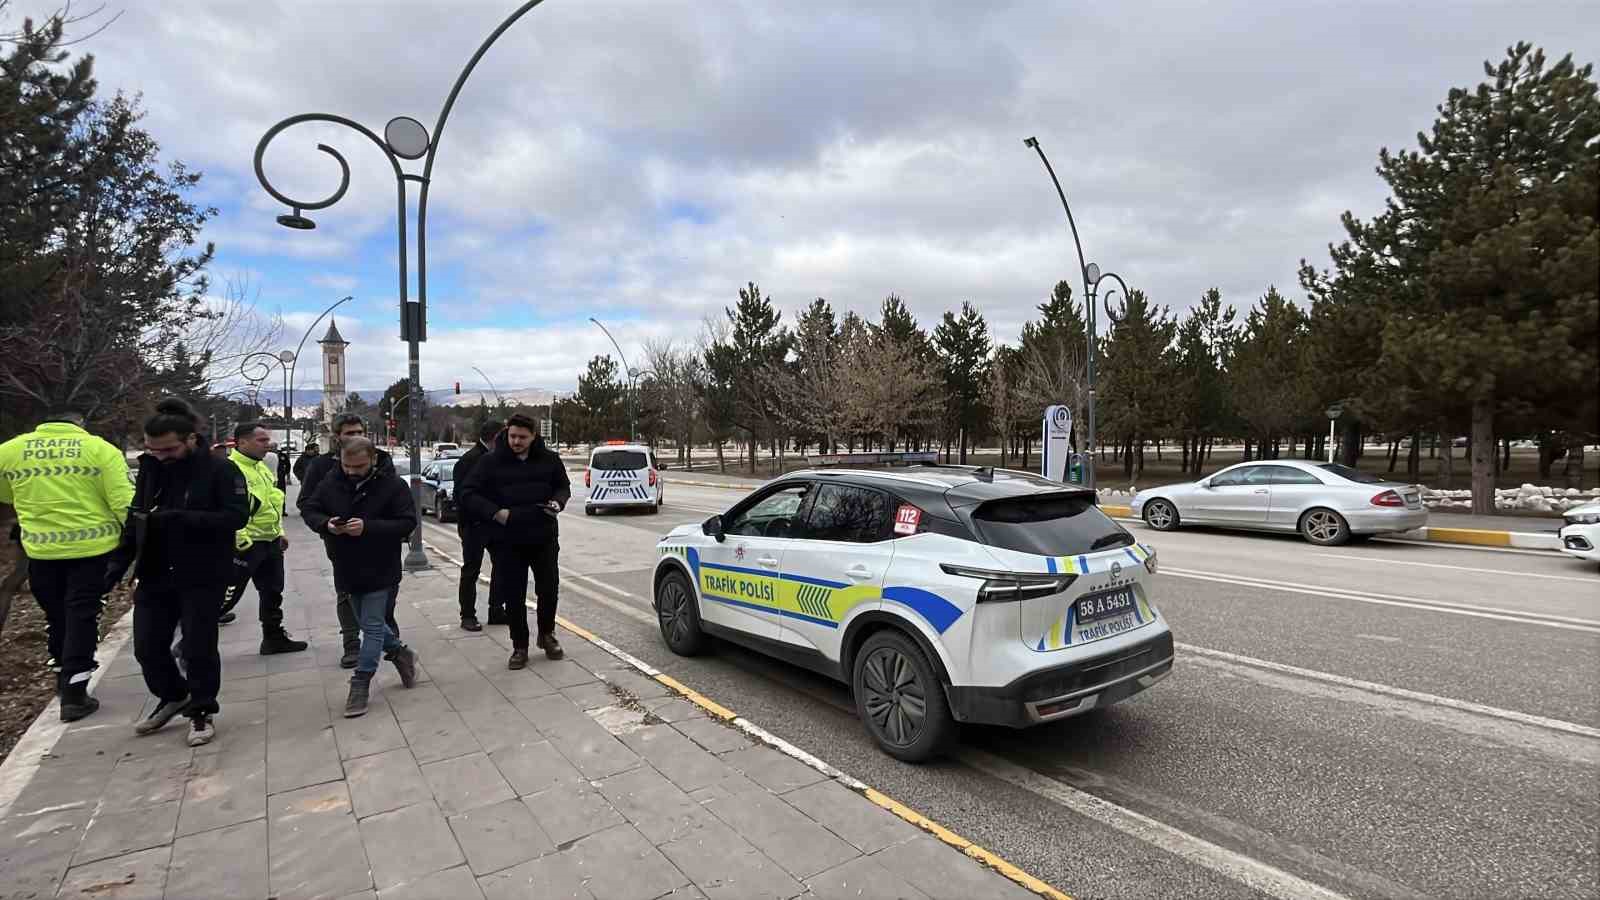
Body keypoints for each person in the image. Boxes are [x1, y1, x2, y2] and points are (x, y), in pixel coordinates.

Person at [110, 399, 249, 747]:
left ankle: (202, 709)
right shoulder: (150, 468)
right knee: (147, 646)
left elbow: (236, 518)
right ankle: (173, 695)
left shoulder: (220, 471)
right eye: (152, 449)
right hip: (156, 570)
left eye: (168, 449)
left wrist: (179, 518)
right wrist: (117, 562)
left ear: (190, 439)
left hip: (203, 572)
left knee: (198, 647)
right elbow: (138, 515)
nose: (160, 455)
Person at [0, 410, 134, 721]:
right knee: (82, 615)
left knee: (57, 614)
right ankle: (75, 691)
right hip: (92, 550)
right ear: (79, 425)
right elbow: (122, 501)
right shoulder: (99, 449)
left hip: (41, 551)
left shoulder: (10, 450)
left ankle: (61, 675)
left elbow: (5, 492)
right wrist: (137, 544)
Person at [301, 437, 419, 717]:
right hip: (345, 564)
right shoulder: (331, 482)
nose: (353, 471)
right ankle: (401, 654)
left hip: (381, 565)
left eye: (359, 466)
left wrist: (368, 527)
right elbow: (310, 509)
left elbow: (407, 522)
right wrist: (326, 524)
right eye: (347, 465)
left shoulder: (393, 486)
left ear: (373, 460)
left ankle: (361, 681)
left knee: (372, 625)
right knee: (366, 622)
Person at [458, 414, 570, 669]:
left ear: (533, 437)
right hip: (507, 539)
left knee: (548, 588)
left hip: (543, 535)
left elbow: (563, 486)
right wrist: (495, 512)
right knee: (514, 594)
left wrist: (557, 502)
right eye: (513, 436)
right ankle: (520, 645)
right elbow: (467, 493)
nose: (516, 441)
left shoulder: (550, 459)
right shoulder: (490, 462)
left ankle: (547, 634)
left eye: (522, 437)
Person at [297, 414, 400, 668]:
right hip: (341, 544)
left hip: (380, 544)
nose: (356, 437)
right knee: (348, 595)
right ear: (337, 437)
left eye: (359, 432)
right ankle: (353, 644)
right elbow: (307, 503)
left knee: (385, 593)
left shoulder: (382, 460)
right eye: (349, 433)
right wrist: (327, 524)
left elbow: (395, 504)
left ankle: (390, 639)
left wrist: (371, 526)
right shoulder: (322, 467)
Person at [217, 423, 309, 653]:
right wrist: (240, 538)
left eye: (267, 440)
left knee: (272, 591)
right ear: (242, 442)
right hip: (245, 546)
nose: (267, 445)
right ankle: (191, 643)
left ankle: (273, 637)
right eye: (261, 441)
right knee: (226, 597)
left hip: (270, 542)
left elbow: (272, 504)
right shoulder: (229, 470)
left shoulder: (262, 468)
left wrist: (280, 533)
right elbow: (224, 509)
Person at [452, 419, 503, 631]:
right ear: (494, 439)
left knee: (501, 567)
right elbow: (462, 496)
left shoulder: (498, 458)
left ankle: (496, 609)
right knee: (471, 570)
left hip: (496, 523)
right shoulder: (469, 461)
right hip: (474, 524)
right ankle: (467, 615)